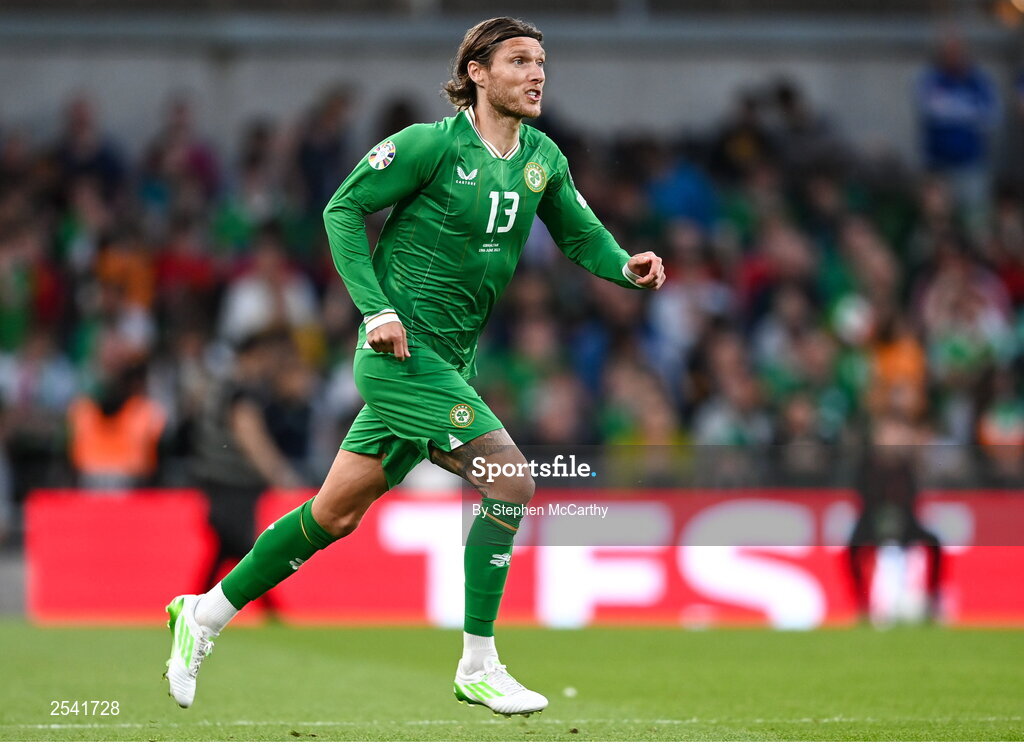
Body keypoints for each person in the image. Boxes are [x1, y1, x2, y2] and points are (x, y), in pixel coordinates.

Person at [164, 16, 665, 716]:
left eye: (541, 62)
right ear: (478, 73)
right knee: (510, 479)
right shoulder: (430, 144)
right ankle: (479, 663)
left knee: (333, 514)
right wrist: (375, 309)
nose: (537, 74)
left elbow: (580, 234)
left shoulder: (542, 157)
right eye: (519, 60)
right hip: (397, 356)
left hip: (447, 362)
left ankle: (203, 613)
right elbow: (342, 208)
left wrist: (624, 266)